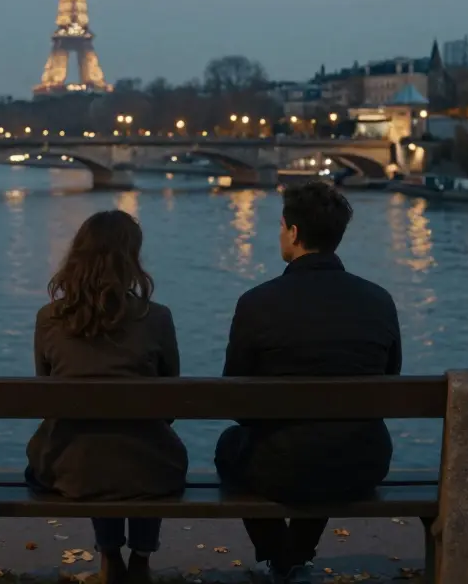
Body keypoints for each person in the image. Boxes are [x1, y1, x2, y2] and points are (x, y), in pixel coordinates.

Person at [214, 181, 402, 583]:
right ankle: (294, 558)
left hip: (281, 466)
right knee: (330, 439)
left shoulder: (257, 302)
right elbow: (390, 384)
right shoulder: (379, 300)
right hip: (362, 462)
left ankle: (281, 558)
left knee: (232, 447)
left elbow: (235, 402)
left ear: (294, 233)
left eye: (282, 226)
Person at [25, 210, 188, 584]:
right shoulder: (157, 317)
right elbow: (172, 403)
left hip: (70, 471)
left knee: (88, 441)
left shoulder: (49, 318)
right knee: (141, 446)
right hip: (150, 470)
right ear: (132, 259)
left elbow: (46, 395)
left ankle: (110, 556)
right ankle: (142, 558)